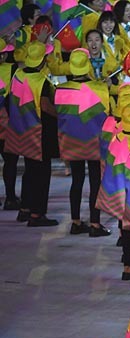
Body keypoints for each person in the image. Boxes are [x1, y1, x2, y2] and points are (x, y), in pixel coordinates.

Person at [56, 49, 111, 237]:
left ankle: (76, 222)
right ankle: (95, 224)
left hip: (72, 142)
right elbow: (106, 114)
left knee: (76, 181)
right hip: (94, 142)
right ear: (88, 65)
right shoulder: (99, 88)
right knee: (95, 182)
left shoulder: (61, 90)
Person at [7, 42, 58, 226]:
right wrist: (61, 112)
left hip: (21, 131)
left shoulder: (17, 75)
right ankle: (37, 215)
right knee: (42, 174)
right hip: (39, 134)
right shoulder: (41, 81)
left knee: (29, 172)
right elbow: (46, 106)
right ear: (42, 60)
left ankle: (25, 209)